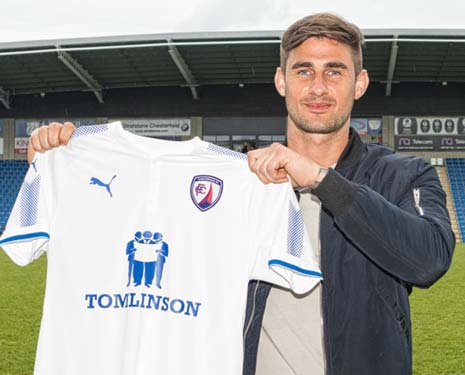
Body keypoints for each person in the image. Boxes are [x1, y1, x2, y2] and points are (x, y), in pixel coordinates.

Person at [27, 13, 455, 375]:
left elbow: (429, 259)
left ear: (359, 83)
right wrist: (62, 162)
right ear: (281, 81)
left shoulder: (405, 174)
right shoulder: (233, 182)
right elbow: (124, 234)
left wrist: (323, 180)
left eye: (335, 71)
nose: (319, 87)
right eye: (303, 70)